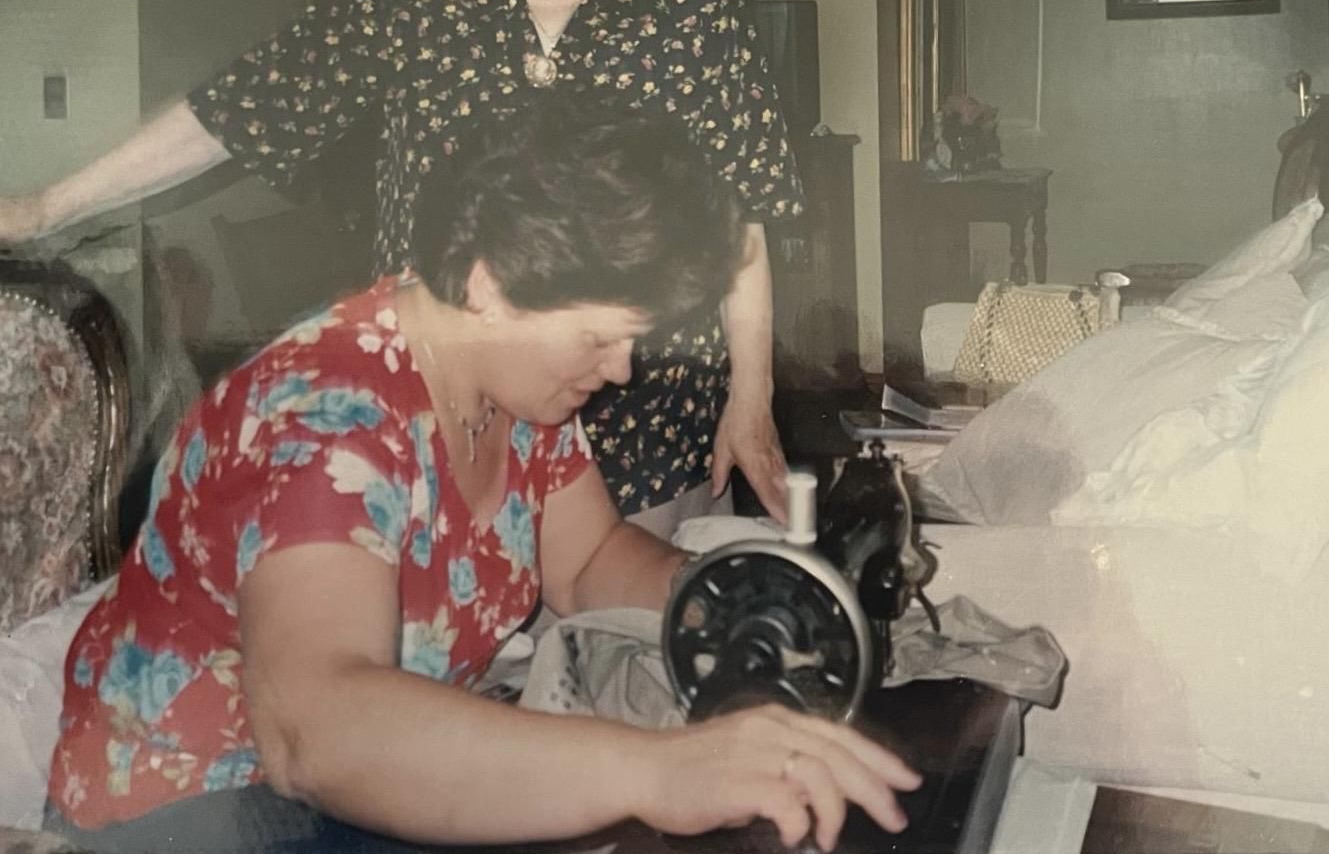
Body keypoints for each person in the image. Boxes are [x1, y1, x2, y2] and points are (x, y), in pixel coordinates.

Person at [43, 99, 918, 854]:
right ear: (490, 285)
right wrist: (659, 770)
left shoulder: (509, 382)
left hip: (336, 806)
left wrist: (740, 610)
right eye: (603, 334)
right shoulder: (323, 415)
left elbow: (586, 563)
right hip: (192, 817)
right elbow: (317, 731)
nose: (619, 370)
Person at [0, 0, 801, 536]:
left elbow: (741, 210)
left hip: (643, 412)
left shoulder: (695, 0)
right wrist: (45, 207)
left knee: (629, 656)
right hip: (450, 406)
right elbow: (243, 107)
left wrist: (750, 398)